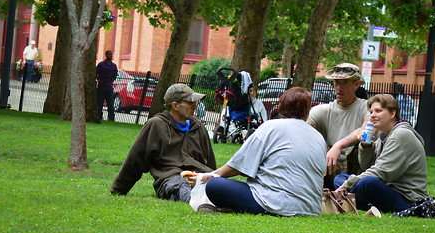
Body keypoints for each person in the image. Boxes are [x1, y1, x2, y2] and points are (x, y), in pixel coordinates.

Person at [190, 87, 326, 216]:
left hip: (275, 204)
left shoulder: (271, 127)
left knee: (215, 185)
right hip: (310, 208)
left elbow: (238, 166)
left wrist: (209, 176)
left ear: (281, 107)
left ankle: (229, 206)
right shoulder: (318, 137)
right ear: (307, 110)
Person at [110, 84, 217, 202]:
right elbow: (135, 159)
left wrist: (214, 179)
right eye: (190, 103)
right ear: (175, 106)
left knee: (222, 189)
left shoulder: (198, 127)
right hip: (171, 180)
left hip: (199, 177)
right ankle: (199, 203)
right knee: (181, 187)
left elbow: (210, 162)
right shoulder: (156, 125)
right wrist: (118, 189)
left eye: (195, 102)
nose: (195, 106)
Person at [334, 94, 428, 213]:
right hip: (387, 188)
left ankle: (349, 199)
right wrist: (366, 146)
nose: (372, 115)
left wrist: (347, 186)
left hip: (407, 199)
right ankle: (356, 200)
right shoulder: (383, 137)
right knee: (340, 178)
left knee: (368, 183)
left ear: (392, 114)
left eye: (378, 111)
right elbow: (367, 167)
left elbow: (380, 172)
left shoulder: (401, 135)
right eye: (371, 111)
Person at [307, 63, 369, 188]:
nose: (339, 88)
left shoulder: (365, 107)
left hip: (356, 172)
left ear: (356, 84)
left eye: (345, 83)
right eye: (336, 82)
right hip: (329, 169)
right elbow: (303, 128)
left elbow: (367, 129)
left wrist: (339, 145)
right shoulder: (323, 110)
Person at [96, 50, 118, 121]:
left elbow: (115, 76)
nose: (111, 56)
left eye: (111, 54)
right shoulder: (101, 64)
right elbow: (96, 74)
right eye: (109, 54)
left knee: (111, 104)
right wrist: (101, 81)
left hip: (109, 87)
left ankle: (111, 118)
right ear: (106, 55)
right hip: (101, 87)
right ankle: (99, 116)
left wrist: (110, 82)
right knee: (99, 103)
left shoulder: (114, 66)